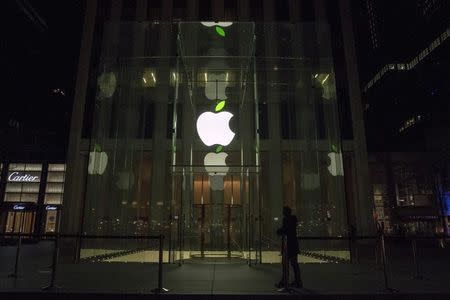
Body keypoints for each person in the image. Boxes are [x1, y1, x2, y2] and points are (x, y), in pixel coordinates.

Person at [276, 206, 303, 288]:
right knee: (294, 264)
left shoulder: (286, 220)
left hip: (288, 246)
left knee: (286, 265)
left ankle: (285, 281)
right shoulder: (293, 219)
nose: (282, 213)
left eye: (283, 211)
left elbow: (285, 230)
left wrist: (279, 231)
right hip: (293, 245)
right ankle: (297, 281)